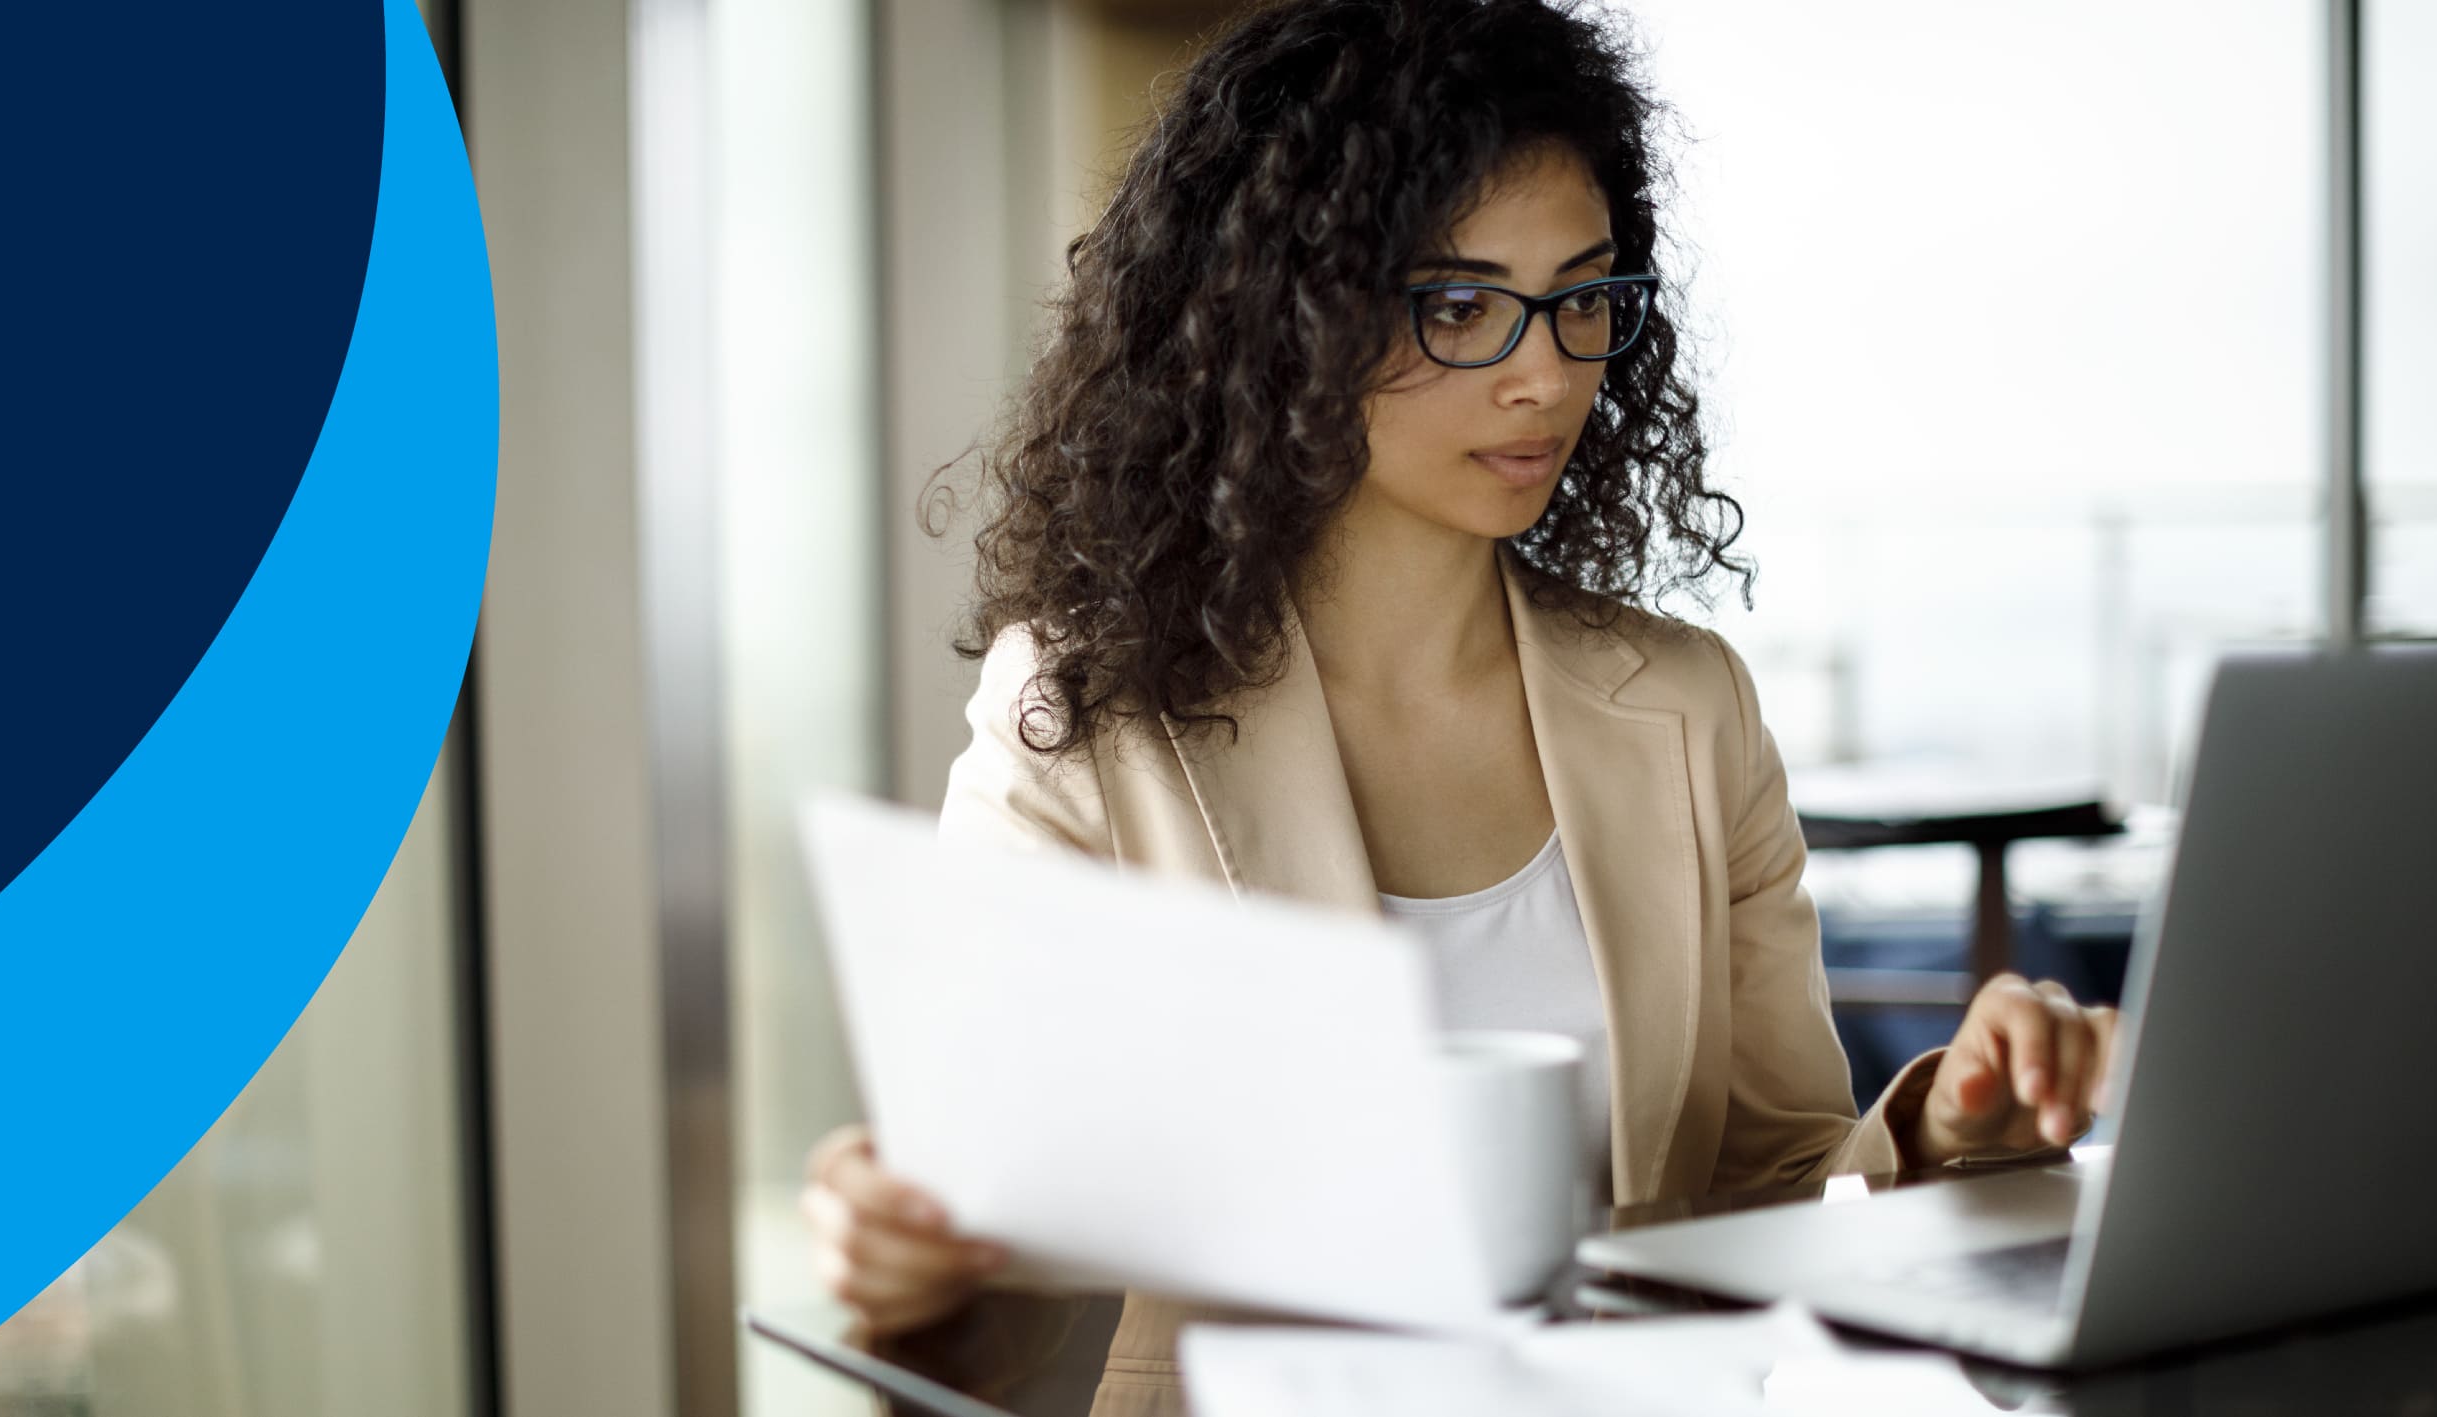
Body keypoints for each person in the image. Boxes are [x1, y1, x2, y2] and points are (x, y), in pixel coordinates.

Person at [799, 0, 2120, 1410]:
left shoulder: (1686, 706)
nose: (1544, 372)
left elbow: (1775, 1192)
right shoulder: (1086, 720)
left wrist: (1951, 1124)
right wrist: (913, 1249)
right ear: (1290, 318)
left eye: (1583, 297)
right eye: (1460, 306)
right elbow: (1008, 1233)